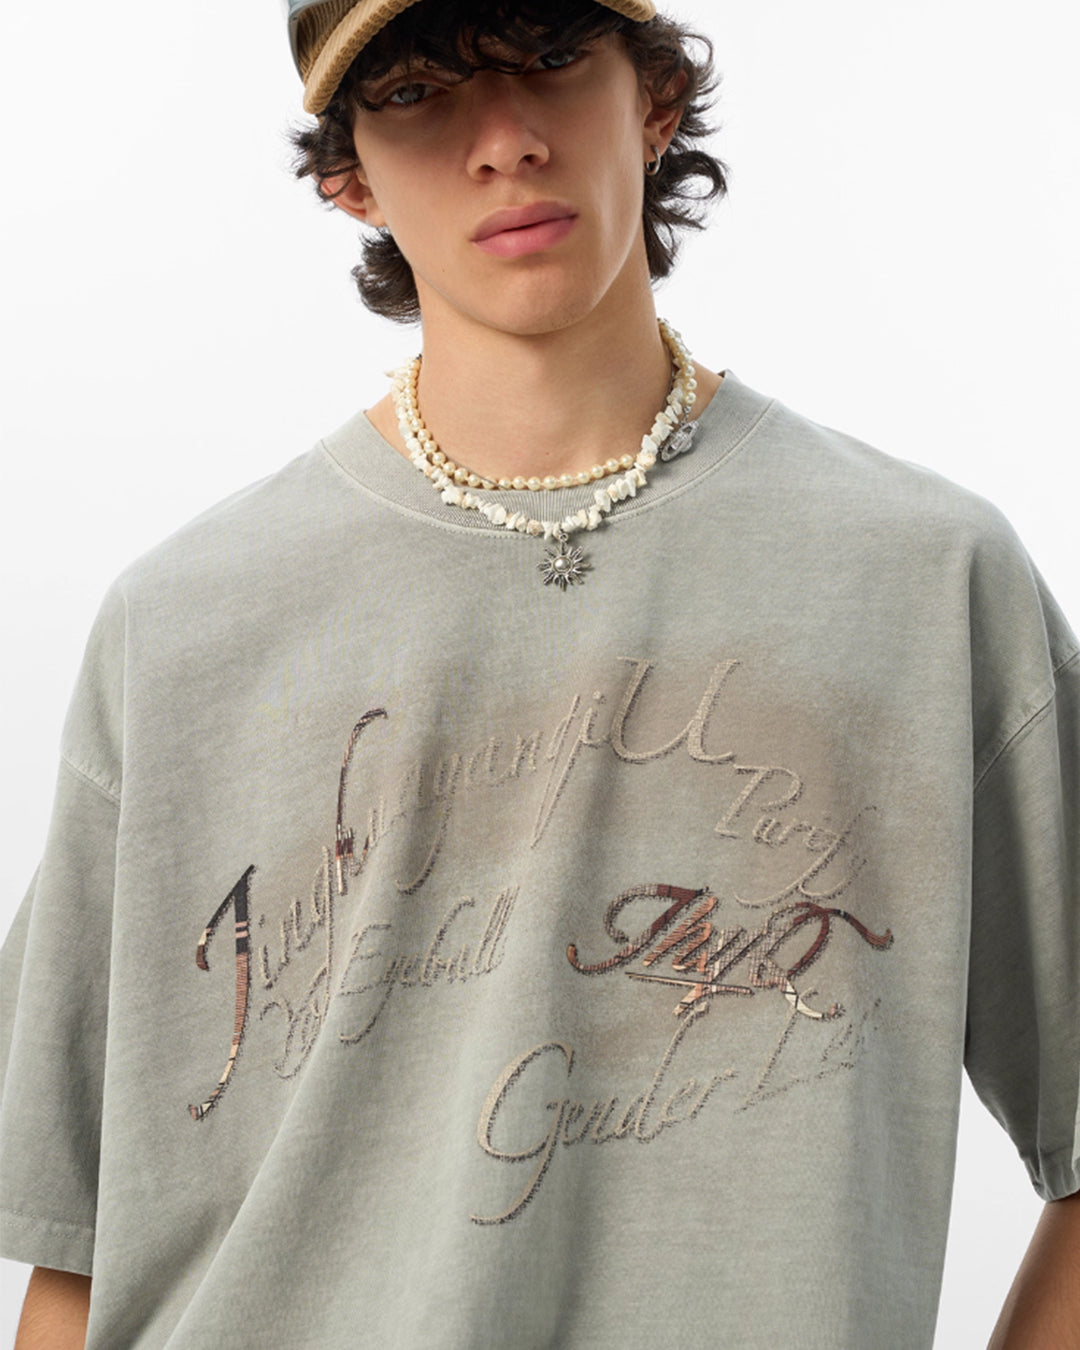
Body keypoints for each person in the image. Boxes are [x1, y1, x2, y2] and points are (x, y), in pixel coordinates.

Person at [2, 0, 1077, 1345]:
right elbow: (77, 1251)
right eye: (419, 91)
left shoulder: (923, 581)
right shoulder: (182, 626)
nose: (504, 139)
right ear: (348, 175)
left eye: (553, 59)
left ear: (655, 99)